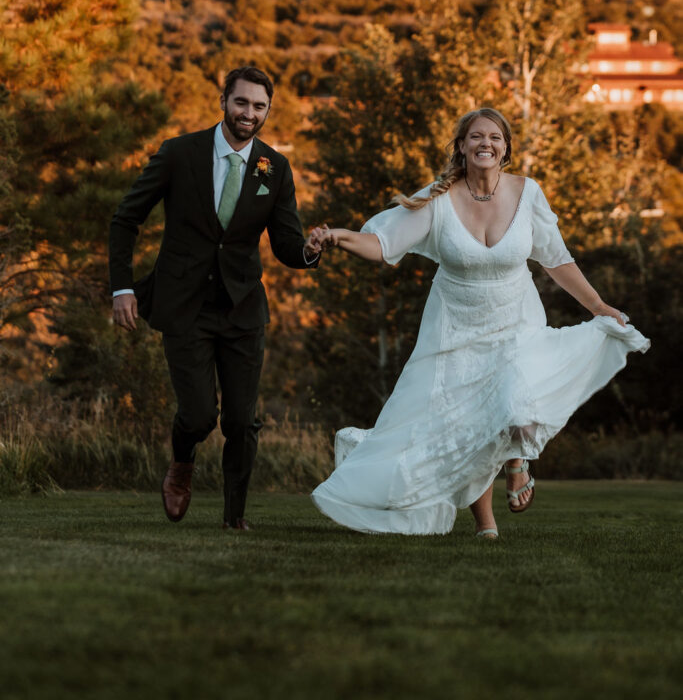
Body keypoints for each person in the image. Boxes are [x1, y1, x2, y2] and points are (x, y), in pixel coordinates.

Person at [311, 108, 649, 539]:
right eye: (476, 136)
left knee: (516, 411)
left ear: (506, 148)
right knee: (462, 423)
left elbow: (557, 260)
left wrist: (599, 305)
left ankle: (515, 464)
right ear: (462, 146)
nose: (485, 143)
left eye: (494, 137)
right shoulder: (438, 198)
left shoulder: (528, 194)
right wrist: (337, 236)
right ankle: (486, 524)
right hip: (454, 327)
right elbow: (382, 244)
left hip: (515, 321)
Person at [109, 66, 323, 530]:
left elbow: (287, 244)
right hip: (183, 304)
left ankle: (234, 519)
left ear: (268, 111)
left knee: (242, 421)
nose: (250, 113)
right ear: (224, 101)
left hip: (243, 308)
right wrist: (122, 287)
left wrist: (309, 251)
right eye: (242, 103)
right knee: (201, 414)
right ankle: (182, 462)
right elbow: (125, 219)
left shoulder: (274, 167)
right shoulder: (179, 154)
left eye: (259, 106)